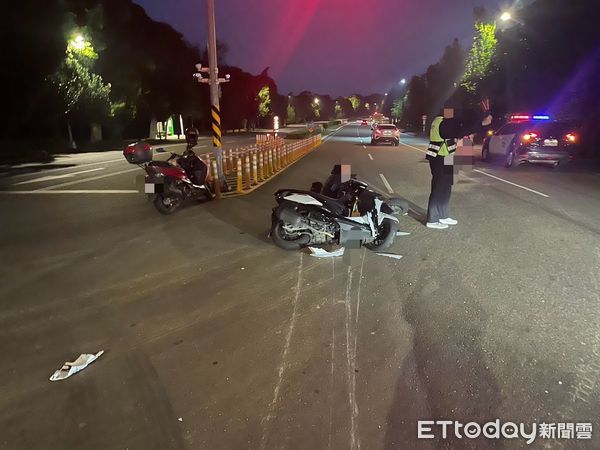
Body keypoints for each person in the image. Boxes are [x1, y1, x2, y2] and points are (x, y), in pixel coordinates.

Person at [425, 107, 492, 229]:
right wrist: (482, 123)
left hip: (445, 156)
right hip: (440, 158)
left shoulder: (438, 120)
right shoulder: (443, 122)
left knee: (446, 187)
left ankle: (443, 215)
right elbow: (462, 130)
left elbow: (457, 131)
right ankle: (432, 219)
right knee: (439, 188)